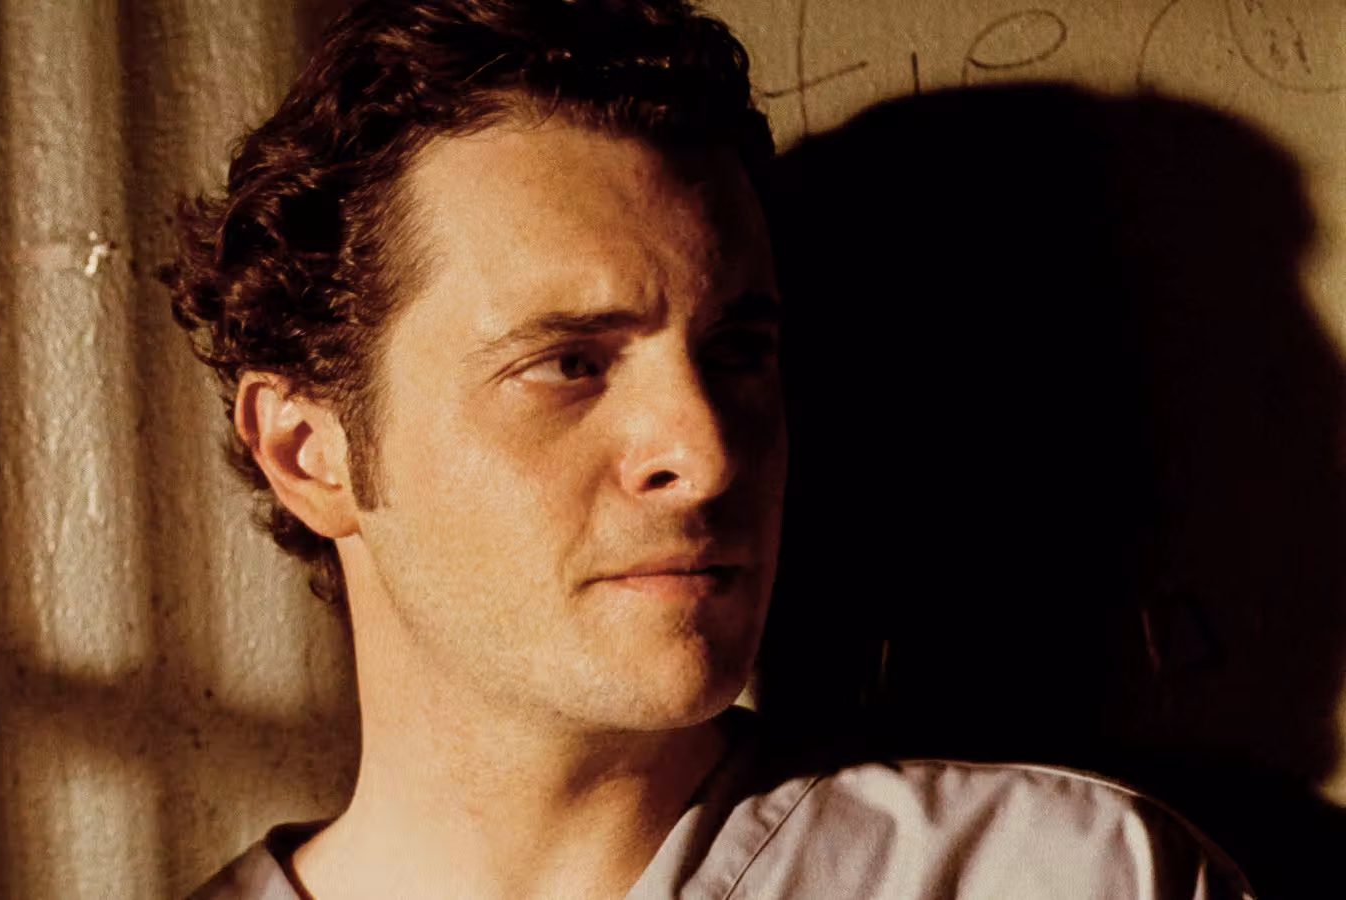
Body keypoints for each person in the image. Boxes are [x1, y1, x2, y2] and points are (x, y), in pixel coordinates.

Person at [167, 1, 1255, 897]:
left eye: (737, 351)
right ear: (308, 452)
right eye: (569, 363)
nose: (708, 450)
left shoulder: (1070, 879)